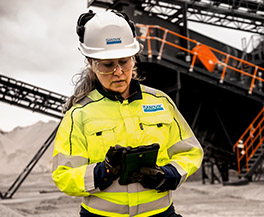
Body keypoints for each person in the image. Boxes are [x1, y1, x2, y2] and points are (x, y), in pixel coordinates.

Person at [52, 10, 203, 217]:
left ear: (134, 58)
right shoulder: (79, 114)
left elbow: (191, 152)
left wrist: (167, 175)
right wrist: (101, 172)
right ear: (91, 63)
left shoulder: (161, 102)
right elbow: (64, 175)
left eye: (124, 62)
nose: (118, 72)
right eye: (107, 65)